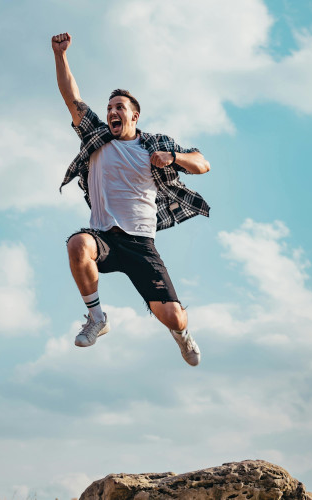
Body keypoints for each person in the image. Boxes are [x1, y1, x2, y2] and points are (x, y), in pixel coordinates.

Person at [52, 32, 211, 366]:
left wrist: (173, 157)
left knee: (175, 317)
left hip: (141, 244)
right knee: (77, 245)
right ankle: (97, 318)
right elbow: (72, 98)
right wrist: (60, 55)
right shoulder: (96, 135)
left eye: (119, 108)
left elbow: (202, 163)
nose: (112, 111)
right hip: (104, 236)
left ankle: (181, 334)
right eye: (109, 107)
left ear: (134, 116)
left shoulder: (153, 144)